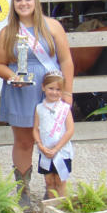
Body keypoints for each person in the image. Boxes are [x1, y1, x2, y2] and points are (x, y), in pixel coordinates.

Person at [0, 0, 74, 208]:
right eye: (19, 0)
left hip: (51, 90)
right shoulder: (7, 32)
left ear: (35, 1)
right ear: (13, 4)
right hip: (22, 92)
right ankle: (23, 192)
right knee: (24, 142)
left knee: (54, 138)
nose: (23, 3)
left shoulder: (53, 26)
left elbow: (66, 60)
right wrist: (12, 76)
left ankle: (54, 189)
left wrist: (67, 92)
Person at [33, 71, 74, 199]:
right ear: (43, 87)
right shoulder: (39, 108)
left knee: (60, 181)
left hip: (61, 151)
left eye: (58, 89)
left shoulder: (65, 109)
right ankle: (51, 209)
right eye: (51, 88)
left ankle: (62, 208)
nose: (54, 92)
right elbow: (35, 129)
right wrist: (40, 145)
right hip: (45, 151)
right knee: (49, 181)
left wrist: (56, 149)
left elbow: (70, 130)